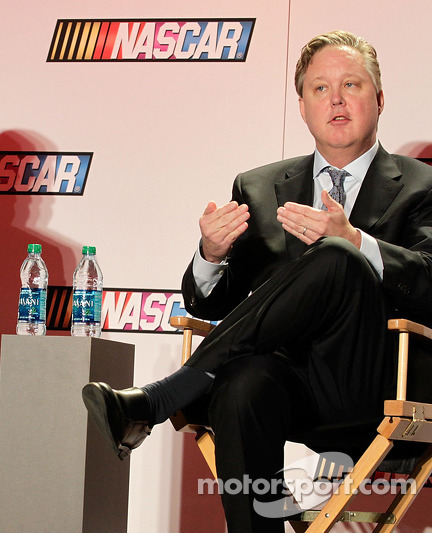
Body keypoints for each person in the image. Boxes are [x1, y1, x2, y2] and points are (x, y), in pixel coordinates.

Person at [83, 30, 432, 532]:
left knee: (337, 256)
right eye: (319, 88)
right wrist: (210, 255)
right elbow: (216, 303)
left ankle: (165, 395)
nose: (335, 99)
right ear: (302, 105)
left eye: (351, 85)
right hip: (283, 384)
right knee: (244, 383)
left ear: (379, 99)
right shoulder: (260, 186)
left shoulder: (422, 187)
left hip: (368, 384)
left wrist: (358, 243)